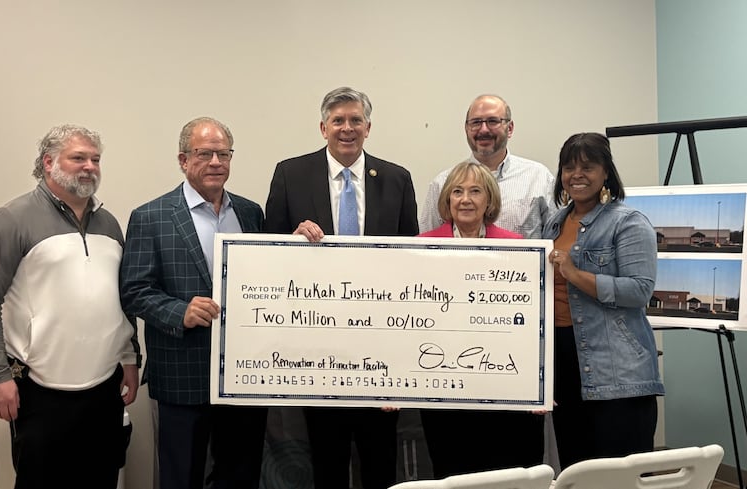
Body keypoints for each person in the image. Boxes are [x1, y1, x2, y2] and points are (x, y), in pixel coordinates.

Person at [0, 124, 140, 489]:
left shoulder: (109, 224)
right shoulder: (10, 220)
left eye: (95, 159)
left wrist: (129, 356)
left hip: (103, 386)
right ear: (48, 162)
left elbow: (119, 299)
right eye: (78, 158)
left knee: (101, 479)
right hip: (39, 389)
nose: (90, 166)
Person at [264, 86, 419, 489]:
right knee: (327, 460)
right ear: (322, 127)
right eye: (338, 121)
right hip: (318, 349)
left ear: (368, 127)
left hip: (382, 347)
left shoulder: (397, 179)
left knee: (380, 460)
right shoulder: (290, 174)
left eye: (355, 121)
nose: (346, 129)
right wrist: (290, 237)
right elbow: (267, 255)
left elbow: (412, 262)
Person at [119, 117, 267, 489]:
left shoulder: (250, 214)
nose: (216, 161)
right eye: (205, 154)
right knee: (180, 476)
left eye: (223, 153)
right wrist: (179, 312)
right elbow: (134, 290)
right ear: (184, 160)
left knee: (241, 474)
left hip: (243, 375)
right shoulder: (150, 216)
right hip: (182, 374)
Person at [545, 132, 664, 469]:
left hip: (616, 371)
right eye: (568, 168)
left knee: (618, 472)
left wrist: (574, 273)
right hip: (564, 364)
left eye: (588, 167)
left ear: (606, 172)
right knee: (576, 468)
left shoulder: (628, 222)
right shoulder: (554, 223)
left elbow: (639, 291)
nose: (577, 175)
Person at [418, 161, 545, 476]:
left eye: (475, 191)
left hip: (506, 390)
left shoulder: (518, 248)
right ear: (447, 199)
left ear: (489, 200)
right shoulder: (422, 248)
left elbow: (533, 324)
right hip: (445, 390)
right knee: (454, 473)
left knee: (511, 473)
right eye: (457, 191)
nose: (465, 199)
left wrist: (540, 382)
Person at [419, 94, 554, 237]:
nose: (483, 129)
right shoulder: (442, 183)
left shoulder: (539, 177)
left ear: (510, 128)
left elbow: (555, 241)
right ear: (466, 128)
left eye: (493, 121)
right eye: (476, 122)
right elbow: (426, 247)